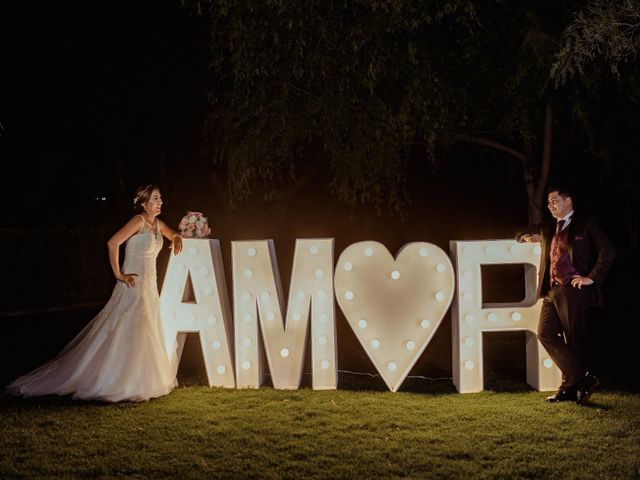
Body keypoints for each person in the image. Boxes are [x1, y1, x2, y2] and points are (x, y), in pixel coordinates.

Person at [7, 185, 183, 402]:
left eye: (160, 198)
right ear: (144, 203)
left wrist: (176, 238)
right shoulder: (138, 221)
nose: (160, 202)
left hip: (149, 287)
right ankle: (115, 379)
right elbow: (113, 243)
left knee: (145, 328)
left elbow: (171, 233)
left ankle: (140, 379)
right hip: (132, 285)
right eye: (155, 198)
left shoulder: (157, 224)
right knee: (124, 328)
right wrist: (119, 274)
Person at [519, 187, 615, 404]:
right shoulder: (547, 227)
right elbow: (521, 231)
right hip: (551, 290)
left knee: (574, 342)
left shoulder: (586, 223)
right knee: (545, 333)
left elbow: (607, 251)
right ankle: (583, 376)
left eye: (554, 201)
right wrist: (527, 236)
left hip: (574, 290)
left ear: (568, 201)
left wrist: (592, 277)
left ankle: (568, 390)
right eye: (548, 203)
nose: (550, 205)